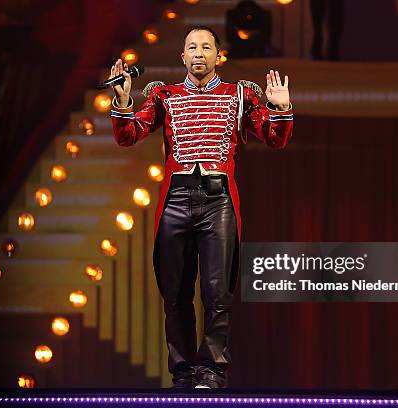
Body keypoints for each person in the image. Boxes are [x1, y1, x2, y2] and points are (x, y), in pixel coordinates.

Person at [108, 26, 293, 389]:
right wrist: (124, 102)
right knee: (175, 293)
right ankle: (182, 371)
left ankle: (212, 370)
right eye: (191, 47)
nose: (198, 53)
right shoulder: (165, 95)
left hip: (217, 199)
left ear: (217, 56)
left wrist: (281, 107)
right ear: (182, 56)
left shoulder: (239, 95)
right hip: (176, 199)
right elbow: (128, 136)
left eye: (206, 47)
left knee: (216, 292)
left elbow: (274, 138)